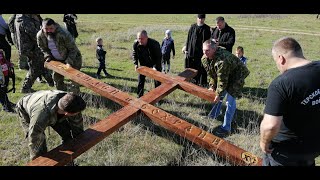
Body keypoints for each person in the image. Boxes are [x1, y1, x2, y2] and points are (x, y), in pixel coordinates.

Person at [260, 37, 320, 166]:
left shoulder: (281, 84)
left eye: (275, 61)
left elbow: (271, 125)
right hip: (314, 147)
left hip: (285, 153)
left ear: (281, 58)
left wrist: (264, 142)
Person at [16, 90, 86, 160]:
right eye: (77, 113)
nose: (78, 114)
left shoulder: (71, 101)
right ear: (67, 114)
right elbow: (34, 139)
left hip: (47, 102)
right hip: (25, 107)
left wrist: (79, 140)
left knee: (67, 134)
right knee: (40, 146)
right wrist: (40, 161)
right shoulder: (40, 117)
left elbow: (77, 124)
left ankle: (68, 162)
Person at [202, 40, 250, 137]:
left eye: (207, 50)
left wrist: (218, 93)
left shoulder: (222, 60)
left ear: (214, 49)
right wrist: (212, 86)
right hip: (225, 74)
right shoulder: (204, 58)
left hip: (237, 76)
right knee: (218, 95)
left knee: (229, 101)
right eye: (203, 50)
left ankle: (226, 127)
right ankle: (213, 115)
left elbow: (222, 80)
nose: (205, 53)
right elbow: (211, 73)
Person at [37, 18, 82, 94]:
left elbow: (73, 49)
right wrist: (48, 56)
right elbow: (42, 48)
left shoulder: (64, 33)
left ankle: (75, 98)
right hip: (57, 60)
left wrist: (69, 62)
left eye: (51, 28)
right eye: (46, 29)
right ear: (42, 27)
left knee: (74, 81)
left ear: (55, 26)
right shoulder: (40, 35)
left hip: (73, 59)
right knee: (57, 80)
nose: (49, 31)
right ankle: (62, 96)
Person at [14, 14, 54, 93]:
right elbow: (35, 35)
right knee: (35, 68)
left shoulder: (29, 17)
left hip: (32, 46)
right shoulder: (25, 20)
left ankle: (51, 82)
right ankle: (25, 88)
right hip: (30, 48)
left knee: (42, 64)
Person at [182, 14, 211, 87]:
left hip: (201, 53)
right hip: (192, 52)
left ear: (204, 19)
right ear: (197, 18)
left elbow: (208, 41)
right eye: (199, 18)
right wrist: (187, 48)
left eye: (202, 18)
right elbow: (189, 38)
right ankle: (191, 81)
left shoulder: (207, 28)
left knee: (201, 67)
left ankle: (201, 83)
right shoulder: (193, 27)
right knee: (191, 67)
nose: (201, 20)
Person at [132, 30, 162, 98]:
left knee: (157, 80)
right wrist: (136, 64)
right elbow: (134, 54)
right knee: (140, 79)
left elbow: (158, 57)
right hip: (144, 63)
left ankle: (158, 97)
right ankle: (139, 96)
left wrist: (155, 67)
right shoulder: (136, 44)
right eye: (138, 38)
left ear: (146, 38)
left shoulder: (155, 44)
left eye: (141, 38)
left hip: (155, 62)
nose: (140, 40)